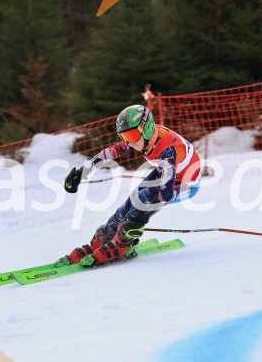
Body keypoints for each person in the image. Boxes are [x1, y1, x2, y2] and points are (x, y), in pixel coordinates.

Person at [60, 104, 201, 266]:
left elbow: (166, 193)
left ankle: (121, 245)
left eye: (132, 136)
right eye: (124, 137)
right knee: (130, 203)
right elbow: (113, 151)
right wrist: (83, 172)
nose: (129, 142)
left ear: (146, 128)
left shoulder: (168, 151)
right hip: (167, 174)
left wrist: (138, 220)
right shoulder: (144, 138)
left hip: (186, 184)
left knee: (141, 203)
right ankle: (103, 239)